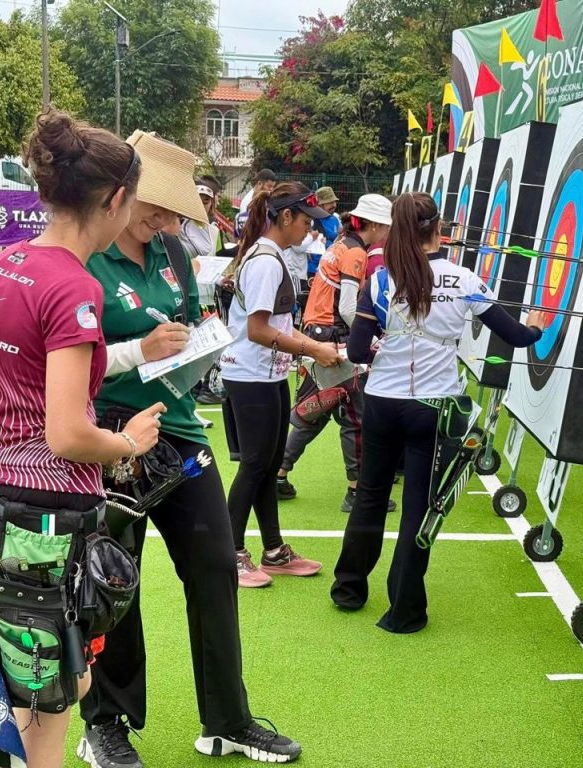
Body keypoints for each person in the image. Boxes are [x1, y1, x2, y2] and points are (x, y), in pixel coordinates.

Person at [0, 109, 163, 768]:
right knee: (46, 700)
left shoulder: (0, 266)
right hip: (47, 523)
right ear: (116, 199)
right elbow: (67, 435)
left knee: (35, 681)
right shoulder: (74, 287)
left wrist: (23, 424)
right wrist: (128, 442)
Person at [79, 131, 302, 766]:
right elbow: (67, 358)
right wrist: (138, 350)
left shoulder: (174, 251)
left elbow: (186, 320)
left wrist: (199, 343)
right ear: (123, 195)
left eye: (176, 211)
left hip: (177, 427)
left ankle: (227, 721)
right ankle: (105, 725)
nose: (168, 221)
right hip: (110, 435)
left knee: (214, 566)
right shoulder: (87, 254)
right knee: (113, 579)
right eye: (158, 207)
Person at [330, 192, 548, 634]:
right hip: (432, 409)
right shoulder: (464, 279)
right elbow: (517, 337)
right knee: (418, 506)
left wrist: (388, 344)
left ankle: (348, 589)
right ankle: (404, 610)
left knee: (370, 495)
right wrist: (537, 326)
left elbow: (356, 350)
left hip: (383, 403)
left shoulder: (381, 279)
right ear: (438, 227)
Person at [220, 181, 343, 588]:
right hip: (250, 374)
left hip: (268, 373)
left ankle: (273, 550)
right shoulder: (266, 261)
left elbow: (275, 327)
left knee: (269, 466)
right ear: (286, 216)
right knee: (256, 464)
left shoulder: (271, 255)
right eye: (307, 221)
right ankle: (231, 554)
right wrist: (313, 348)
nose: (311, 229)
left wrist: (311, 349)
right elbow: (257, 330)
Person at [276, 194, 394, 513]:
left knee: (315, 411)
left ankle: (277, 474)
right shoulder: (355, 252)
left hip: (318, 334)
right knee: (356, 417)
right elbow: (349, 308)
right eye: (387, 226)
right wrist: (373, 339)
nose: (388, 232)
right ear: (375, 225)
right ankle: (357, 492)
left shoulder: (342, 244)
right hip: (334, 339)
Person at [235, 168, 277, 235]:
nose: (271, 190)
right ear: (260, 184)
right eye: (269, 186)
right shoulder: (248, 201)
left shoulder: (265, 198)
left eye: (273, 187)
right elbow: (245, 230)